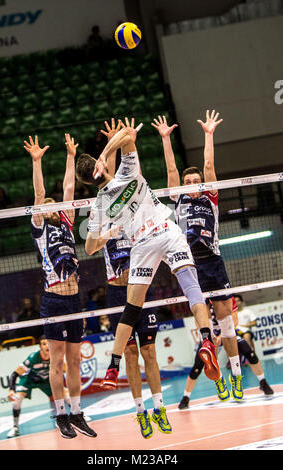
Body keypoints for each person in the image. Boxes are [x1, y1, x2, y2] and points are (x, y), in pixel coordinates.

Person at [76, 117, 221, 404]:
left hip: (141, 245)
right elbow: (129, 134)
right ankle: (206, 338)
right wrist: (106, 153)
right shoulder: (127, 171)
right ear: (99, 167)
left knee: (131, 308)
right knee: (192, 287)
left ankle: (112, 367)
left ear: (84, 182)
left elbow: (91, 247)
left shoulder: (100, 206)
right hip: (166, 231)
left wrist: (109, 232)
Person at [153, 111, 243, 401]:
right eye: (188, 180)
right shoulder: (178, 199)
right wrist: (166, 139)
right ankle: (216, 375)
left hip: (214, 262)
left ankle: (237, 376)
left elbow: (208, 165)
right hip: (190, 265)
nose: (192, 183)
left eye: (195, 180)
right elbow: (170, 172)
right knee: (206, 327)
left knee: (226, 323)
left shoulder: (210, 197)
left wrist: (208, 134)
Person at [100, 119, 171, 437]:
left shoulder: (132, 203)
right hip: (117, 292)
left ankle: (159, 408)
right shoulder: (100, 210)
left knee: (150, 352)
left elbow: (121, 175)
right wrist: (109, 151)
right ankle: (141, 412)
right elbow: (107, 179)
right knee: (129, 353)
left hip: (141, 286)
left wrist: (120, 142)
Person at [24, 134, 96, 439]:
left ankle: (77, 412)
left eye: (56, 206)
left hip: (74, 300)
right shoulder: (41, 230)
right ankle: (61, 415)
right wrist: (36, 161)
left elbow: (68, 188)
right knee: (56, 362)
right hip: (53, 300)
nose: (54, 207)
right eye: (49, 207)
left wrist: (71, 156)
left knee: (75, 360)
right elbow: (40, 194)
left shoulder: (66, 222)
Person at [179, 298, 274, 409]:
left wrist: (221, 336)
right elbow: (199, 323)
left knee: (249, 353)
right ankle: (186, 397)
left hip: (228, 333)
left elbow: (234, 321)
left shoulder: (226, 295)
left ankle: (263, 382)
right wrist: (212, 337)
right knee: (197, 367)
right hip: (211, 336)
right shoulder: (201, 298)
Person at [7, 335, 52, 438]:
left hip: (45, 380)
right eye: (44, 344)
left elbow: (66, 371)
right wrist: (11, 390)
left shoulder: (56, 356)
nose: (47, 346)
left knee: (66, 393)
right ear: (40, 346)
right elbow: (14, 374)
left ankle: (78, 415)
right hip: (29, 379)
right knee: (17, 399)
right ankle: (15, 427)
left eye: (48, 343)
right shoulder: (33, 358)